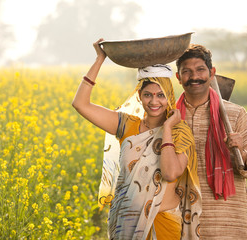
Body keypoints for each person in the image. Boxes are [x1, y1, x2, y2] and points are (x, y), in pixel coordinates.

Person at [72, 38, 201, 239]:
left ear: (169, 96)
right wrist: (100, 59)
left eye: (160, 95)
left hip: (164, 226)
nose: (154, 101)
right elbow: (81, 104)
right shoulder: (127, 125)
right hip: (126, 226)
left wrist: (167, 128)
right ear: (139, 95)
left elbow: (170, 173)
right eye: (148, 95)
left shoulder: (179, 132)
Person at [175, 44, 247, 239]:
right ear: (178, 77)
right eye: (187, 72)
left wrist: (241, 153)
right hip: (181, 219)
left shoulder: (235, 114)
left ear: (212, 73)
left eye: (200, 69)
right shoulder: (170, 119)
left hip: (229, 222)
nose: (194, 77)